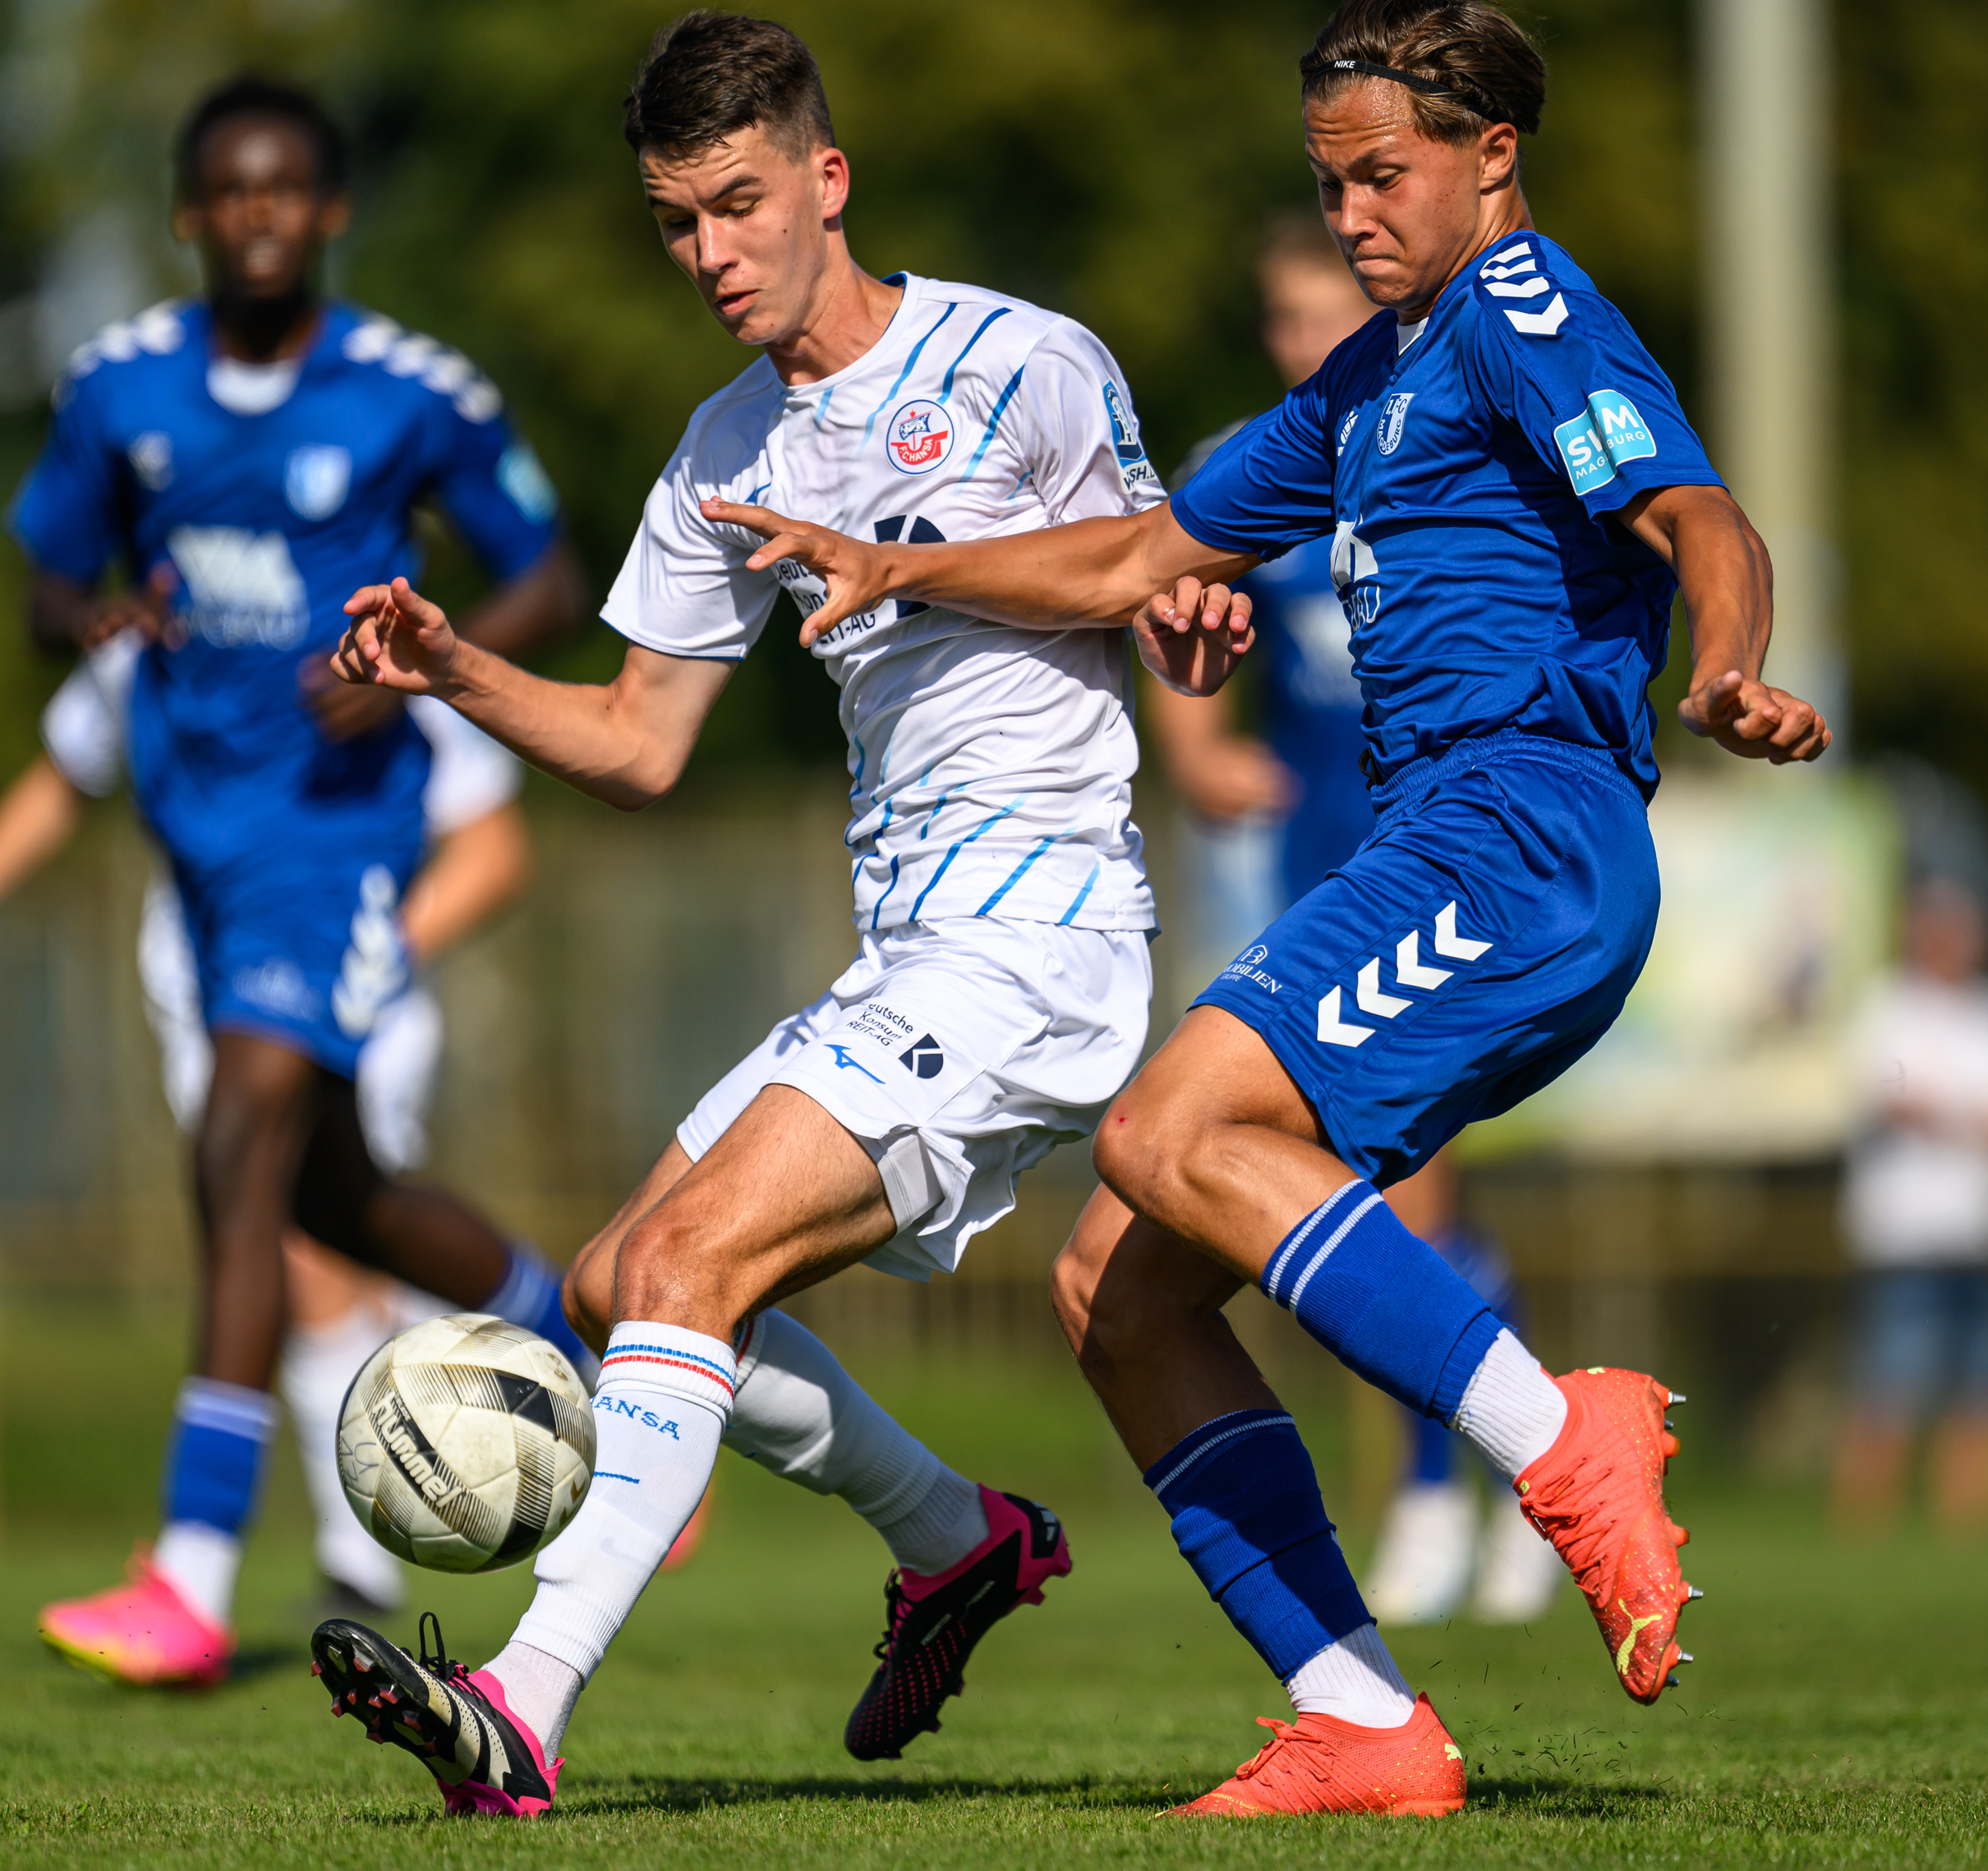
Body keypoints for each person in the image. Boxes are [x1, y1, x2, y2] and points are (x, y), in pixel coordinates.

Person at [716, 0, 1830, 1818]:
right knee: (1114, 1285)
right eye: (1327, 184)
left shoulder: (1520, 311)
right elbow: (1139, 557)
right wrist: (906, 560)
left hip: (1519, 834)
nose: (1350, 215)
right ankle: (1360, 1718)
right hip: (1432, 844)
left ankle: (1560, 1436)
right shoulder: (1365, 384)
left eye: (1381, 173)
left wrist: (1725, 669)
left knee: (1168, 1126)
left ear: (1490, 156)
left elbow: (1700, 515)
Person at [303, 11, 1163, 1818]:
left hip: (1042, 937)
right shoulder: (719, 450)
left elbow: (1156, 571)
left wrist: (1197, 638)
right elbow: (636, 741)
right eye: (672, 220)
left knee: (686, 1271)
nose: (705, 252)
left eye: (735, 204)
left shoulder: (1022, 362)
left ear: (824, 181)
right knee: (626, 1287)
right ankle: (959, 1537)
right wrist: (458, 665)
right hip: (910, 947)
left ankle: (523, 1706)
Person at [11, 74, 592, 1686]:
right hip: (195, 835)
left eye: (289, 193)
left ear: (328, 212)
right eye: (230, 194)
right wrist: (94, 620)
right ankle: (580, 1342)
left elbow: (547, 569)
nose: (260, 217)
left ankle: (192, 1567)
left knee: (242, 1118)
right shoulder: (115, 386)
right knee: (336, 1191)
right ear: (192, 214)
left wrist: (433, 660)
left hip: (339, 833)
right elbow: (47, 579)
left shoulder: (412, 392)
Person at [0, 629, 545, 1615]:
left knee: (295, 1246)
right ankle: (578, 1376)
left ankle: (273, 1564)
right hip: (202, 1008)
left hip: (342, 1000)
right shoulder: (145, 648)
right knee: (344, 1228)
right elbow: (63, 776)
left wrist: (378, 949)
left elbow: (493, 848)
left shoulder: (375, 644)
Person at [1148, 214, 1559, 1627]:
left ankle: (1458, 1495)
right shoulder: (1273, 454)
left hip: (1437, 862)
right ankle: (1506, 1479)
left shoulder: (1453, 420)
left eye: (1318, 302)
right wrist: (1195, 740)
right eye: (1277, 313)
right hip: (1319, 865)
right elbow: (1166, 586)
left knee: (1389, 1189)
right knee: (1356, 1193)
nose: (1296, 334)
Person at [1834, 874, 1988, 1533]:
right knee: (1889, 1382)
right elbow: (1894, 1099)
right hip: (1906, 1233)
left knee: (1977, 1393)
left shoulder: (1979, 1013)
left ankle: (1962, 1527)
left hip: (1976, 1232)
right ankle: (1865, 1524)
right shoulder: (1888, 1005)